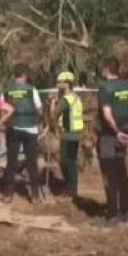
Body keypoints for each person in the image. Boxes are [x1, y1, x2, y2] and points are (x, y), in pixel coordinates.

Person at [96, 57, 128, 225]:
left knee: (109, 174)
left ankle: (112, 214)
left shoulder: (104, 88)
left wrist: (116, 132)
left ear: (106, 69)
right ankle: (126, 210)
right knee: (121, 171)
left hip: (109, 136)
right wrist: (125, 131)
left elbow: (107, 114)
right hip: (124, 132)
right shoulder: (126, 86)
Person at [1, 63, 44, 203]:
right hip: (30, 129)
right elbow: (39, 109)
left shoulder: (6, 90)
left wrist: (4, 123)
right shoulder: (32, 90)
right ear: (25, 75)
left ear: (14, 75)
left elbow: (1, 109)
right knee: (32, 162)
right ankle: (35, 195)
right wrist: (40, 121)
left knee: (11, 162)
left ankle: (8, 194)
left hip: (13, 129)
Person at [48, 71, 85, 200]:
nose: (58, 84)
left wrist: (52, 102)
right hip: (76, 135)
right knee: (72, 163)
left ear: (66, 83)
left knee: (65, 163)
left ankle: (70, 190)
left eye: (60, 82)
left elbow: (54, 115)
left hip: (68, 136)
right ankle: (72, 190)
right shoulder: (76, 97)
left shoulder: (66, 100)